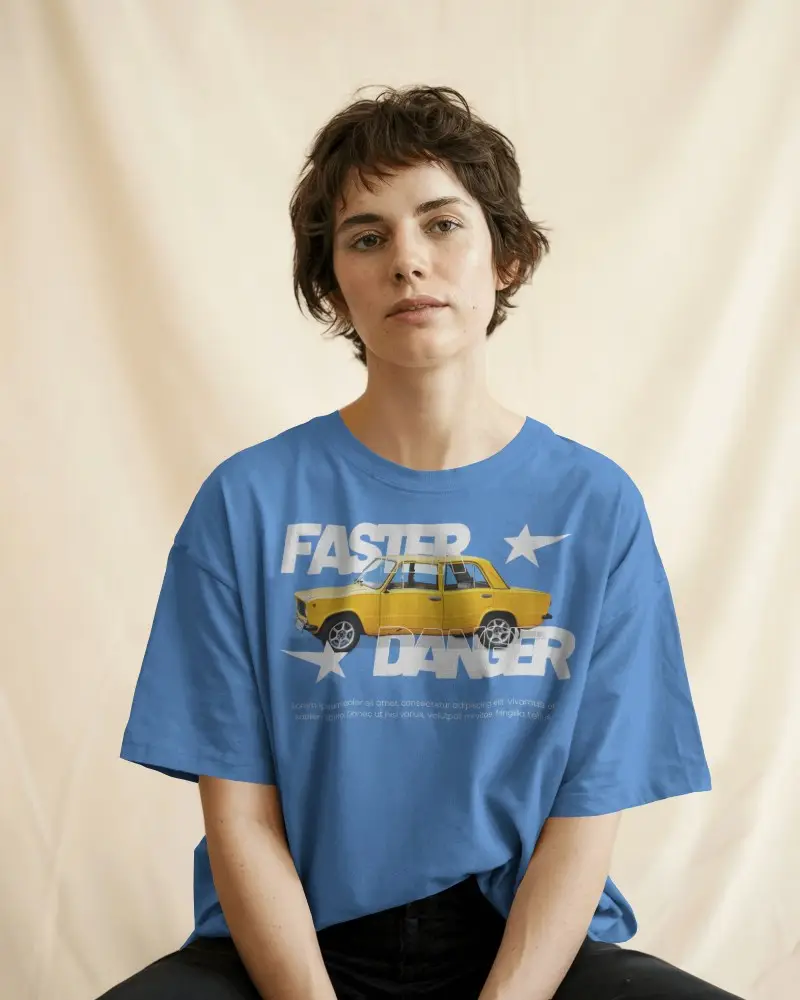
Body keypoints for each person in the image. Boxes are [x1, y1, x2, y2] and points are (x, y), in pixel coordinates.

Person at [98, 85, 742, 1000]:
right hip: (292, 944)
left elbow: (587, 810)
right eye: (366, 238)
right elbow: (239, 816)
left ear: (506, 257)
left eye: (442, 225)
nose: (407, 261)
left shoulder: (595, 506)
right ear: (333, 285)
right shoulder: (246, 503)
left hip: (528, 948)